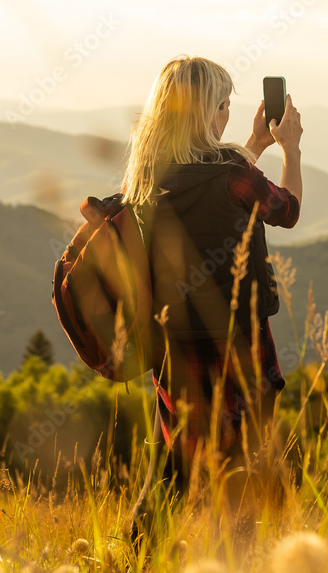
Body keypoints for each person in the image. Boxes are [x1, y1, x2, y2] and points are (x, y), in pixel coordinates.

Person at [120, 55, 303, 516]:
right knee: (250, 462)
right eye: (223, 105)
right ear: (206, 113)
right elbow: (286, 210)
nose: (227, 114)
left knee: (174, 468)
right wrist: (291, 148)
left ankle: (136, 561)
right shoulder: (232, 175)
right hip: (239, 345)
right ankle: (244, 558)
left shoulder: (145, 176)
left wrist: (254, 146)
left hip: (175, 348)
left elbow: (204, 183)